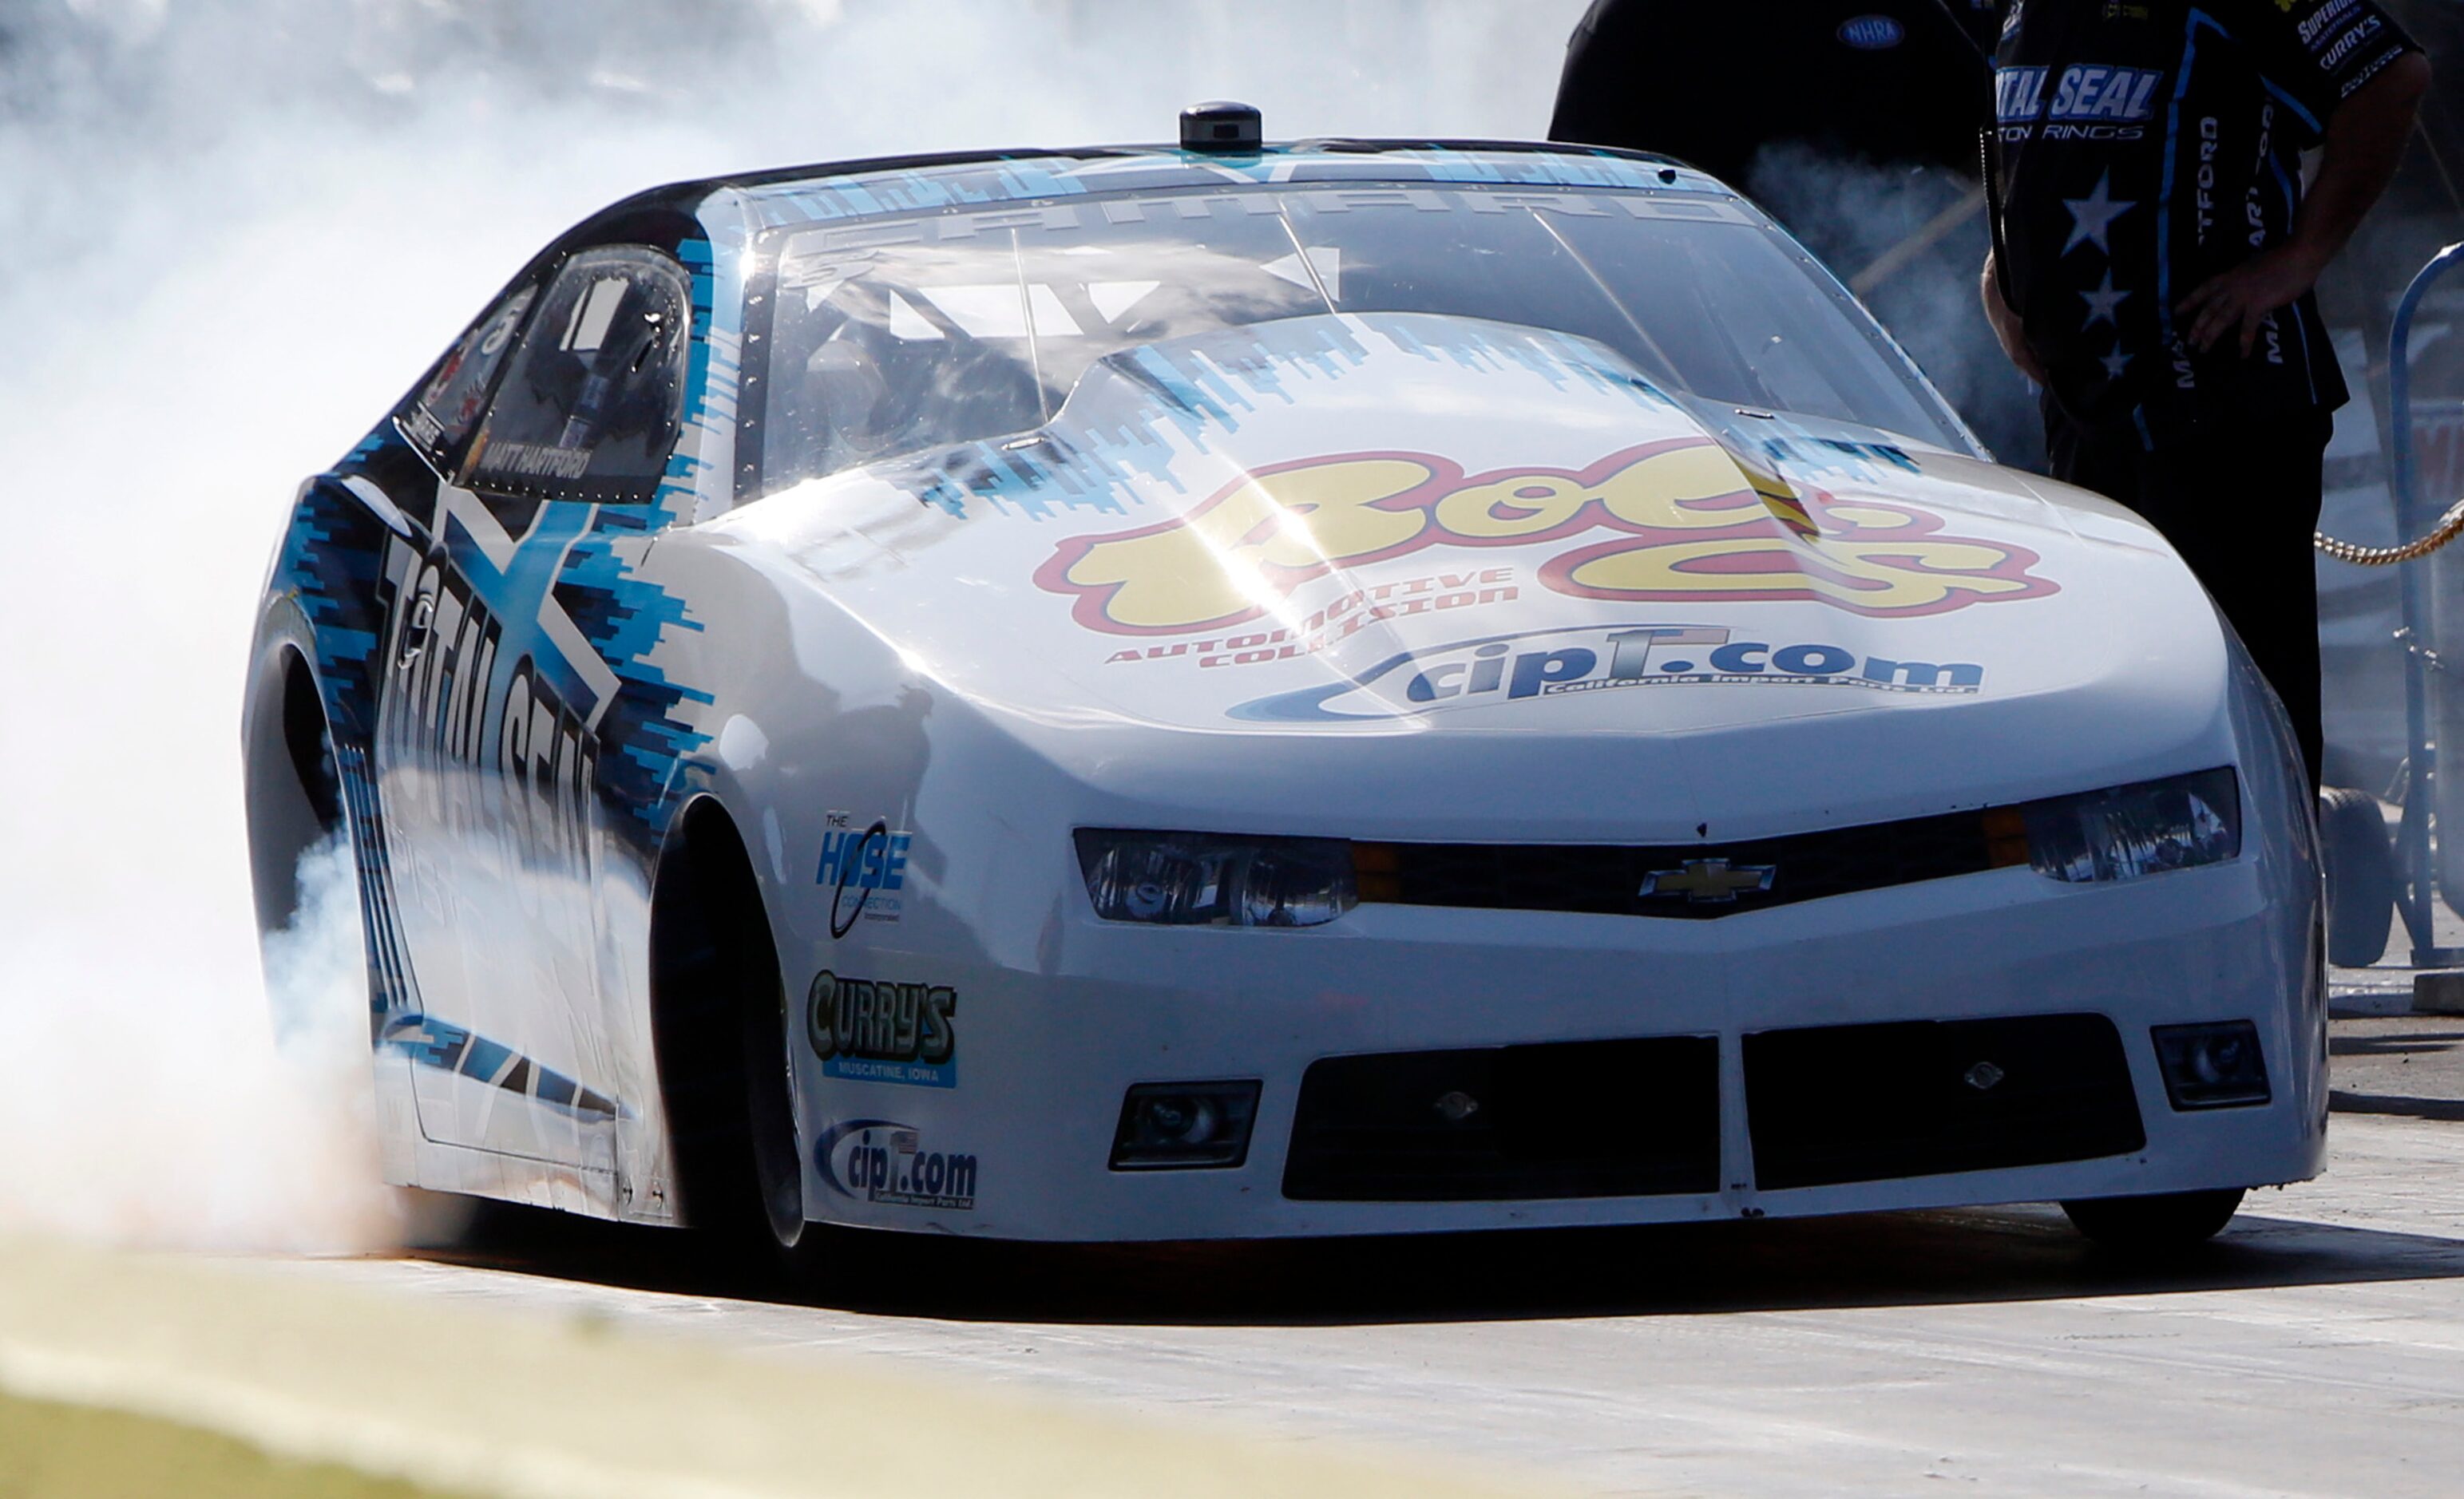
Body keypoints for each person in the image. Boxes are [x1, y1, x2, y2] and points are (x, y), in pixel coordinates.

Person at [1982, 0, 2430, 791]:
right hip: (2085, 411)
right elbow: (2038, 141)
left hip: (2221, 403)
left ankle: (2280, 898)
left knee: (2245, 705)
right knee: (2115, 696)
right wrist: (2002, 270)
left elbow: (2389, 78)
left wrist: (2298, 259)